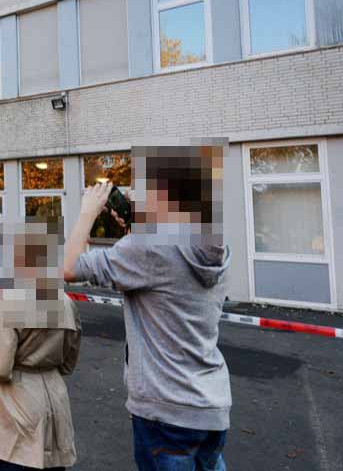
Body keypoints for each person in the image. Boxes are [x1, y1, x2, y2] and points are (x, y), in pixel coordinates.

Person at [62, 143, 231, 471]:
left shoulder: (147, 248)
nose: (138, 195)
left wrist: (88, 211)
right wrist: (136, 231)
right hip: (210, 408)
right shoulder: (215, 249)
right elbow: (165, 273)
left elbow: (70, 267)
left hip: (165, 413)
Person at [0, 217, 81, 471]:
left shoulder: (12, 298)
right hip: (55, 403)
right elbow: (68, 362)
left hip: (16, 407)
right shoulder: (65, 301)